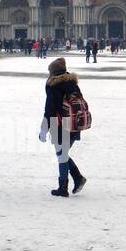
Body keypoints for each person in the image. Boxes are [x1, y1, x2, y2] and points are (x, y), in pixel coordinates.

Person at [39, 57, 87, 198]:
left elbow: (50, 108)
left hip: (59, 123)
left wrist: (44, 127)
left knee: (61, 154)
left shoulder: (52, 85)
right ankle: (77, 178)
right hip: (74, 122)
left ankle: (63, 187)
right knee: (63, 154)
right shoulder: (72, 82)